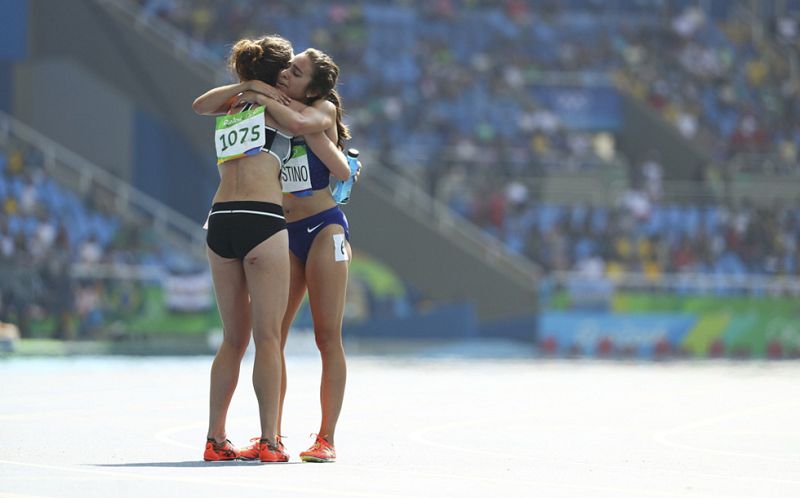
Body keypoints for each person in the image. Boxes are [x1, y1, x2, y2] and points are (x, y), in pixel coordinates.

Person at [243, 48, 354, 463]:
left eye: (296, 71)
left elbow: (339, 167)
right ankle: (270, 435)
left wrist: (266, 98)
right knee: (271, 337)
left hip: (324, 227)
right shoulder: (277, 104)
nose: (286, 73)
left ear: (315, 87)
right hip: (282, 231)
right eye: (287, 68)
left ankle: (326, 438)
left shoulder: (320, 110)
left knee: (327, 337)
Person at [191, 34, 296, 463]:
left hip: (220, 222)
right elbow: (312, 125)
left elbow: (200, 105)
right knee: (267, 338)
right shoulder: (287, 110)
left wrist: (245, 88)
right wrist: (259, 90)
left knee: (233, 339)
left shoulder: (233, 105)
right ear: (279, 74)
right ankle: (270, 441)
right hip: (261, 218)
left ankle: (215, 439)